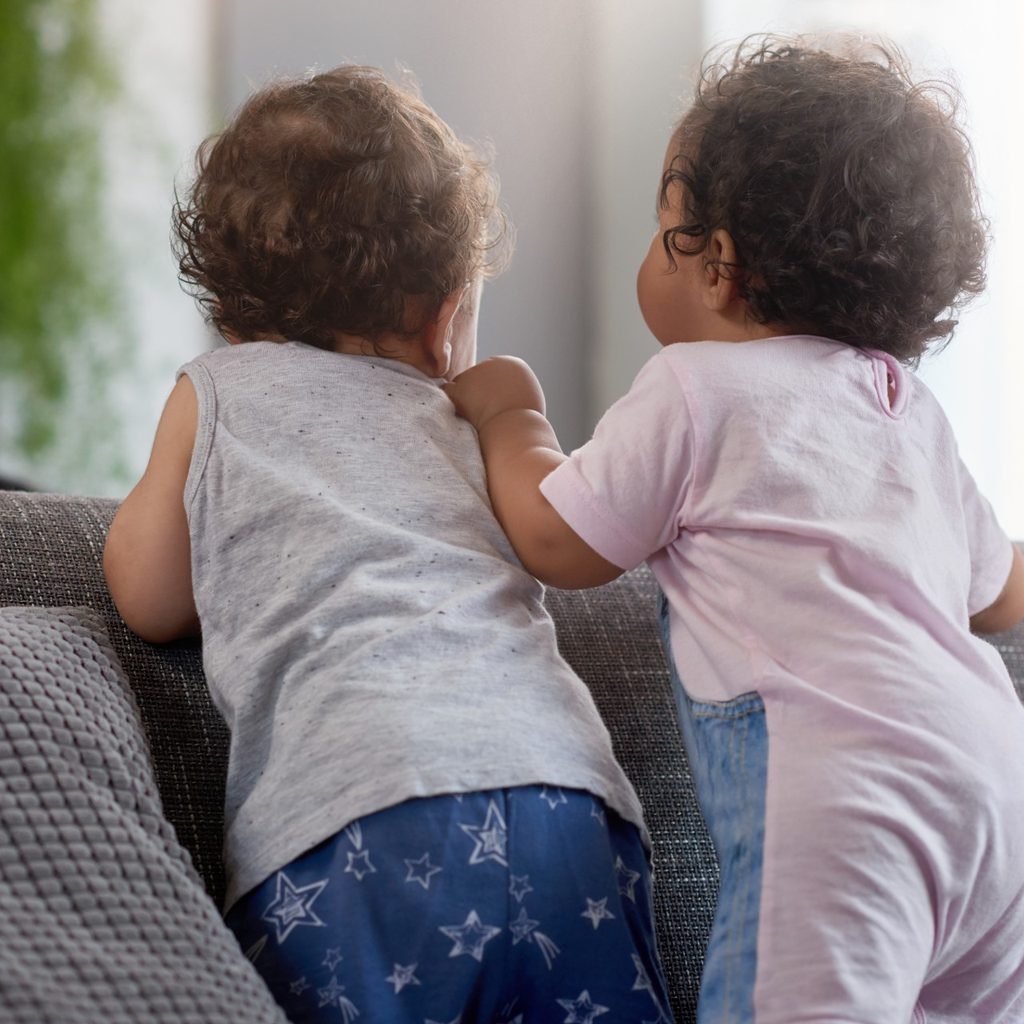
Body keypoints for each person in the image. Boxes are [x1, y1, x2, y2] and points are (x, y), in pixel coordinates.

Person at [445, 36, 1024, 1024]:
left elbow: (557, 540)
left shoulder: (696, 389)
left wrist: (511, 417)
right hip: (995, 780)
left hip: (845, 800)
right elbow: (998, 594)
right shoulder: (901, 406)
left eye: (658, 227)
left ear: (716, 265)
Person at [103, 65, 676, 1024]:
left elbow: (148, 594)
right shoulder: (469, 421)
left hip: (357, 821)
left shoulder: (215, 393)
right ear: (448, 311)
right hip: (564, 803)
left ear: (230, 306)